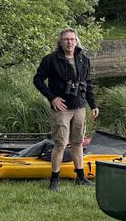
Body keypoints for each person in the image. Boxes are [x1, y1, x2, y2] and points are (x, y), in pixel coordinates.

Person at [34, 28, 99, 191]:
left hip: (80, 107)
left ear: (76, 41)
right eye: (66, 39)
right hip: (61, 108)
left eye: (72, 39)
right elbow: (38, 80)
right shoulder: (51, 60)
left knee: (77, 143)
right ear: (60, 42)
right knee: (60, 144)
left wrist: (93, 105)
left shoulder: (83, 59)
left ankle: (81, 177)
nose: (70, 42)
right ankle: (54, 180)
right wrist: (52, 98)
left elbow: (87, 84)